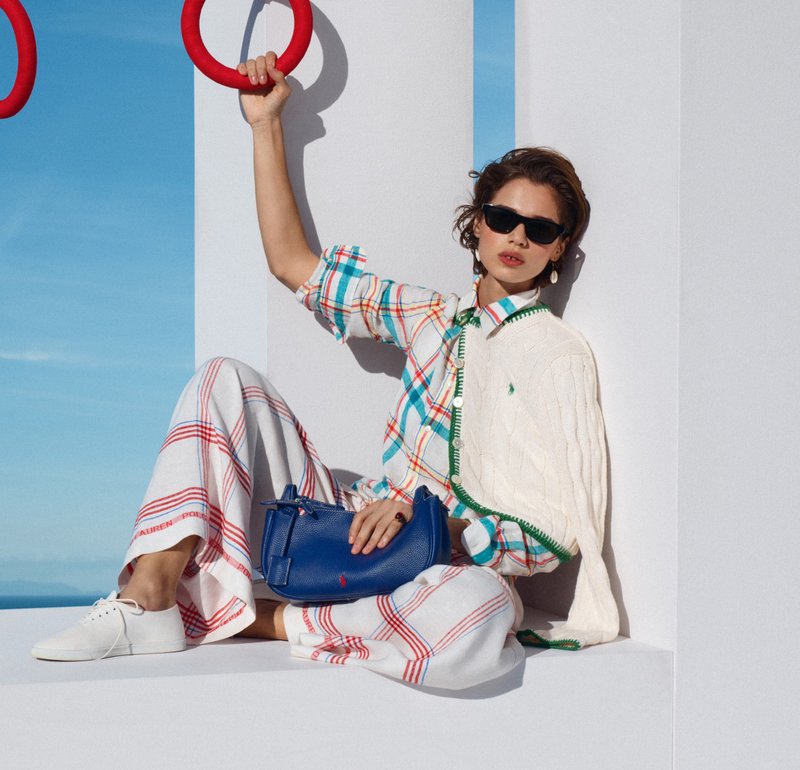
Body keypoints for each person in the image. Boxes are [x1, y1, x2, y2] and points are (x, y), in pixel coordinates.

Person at [31, 53, 619, 689]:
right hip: (350, 525)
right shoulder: (427, 315)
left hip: (442, 560)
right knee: (223, 378)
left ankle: (272, 620)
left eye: (540, 228)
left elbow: (557, 532)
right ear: (476, 223)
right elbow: (293, 263)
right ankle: (149, 598)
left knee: (473, 615)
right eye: (503, 218)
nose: (517, 237)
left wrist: (428, 522)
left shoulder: (557, 354)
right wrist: (265, 126)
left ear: (560, 247)